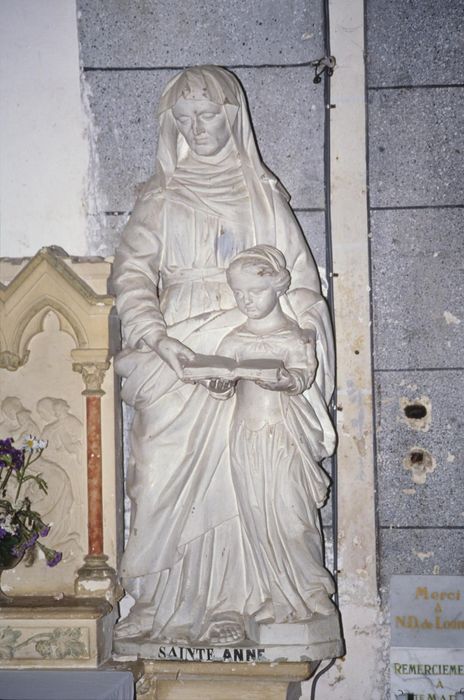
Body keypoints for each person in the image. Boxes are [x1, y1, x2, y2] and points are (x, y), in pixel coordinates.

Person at [112, 65, 335, 645]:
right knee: (159, 474)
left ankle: (232, 604)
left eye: (207, 115)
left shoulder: (262, 193)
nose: (196, 128)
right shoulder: (160, 196)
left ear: (231, 116)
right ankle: (163, 603)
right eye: (183, 119)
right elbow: (132, 277)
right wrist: (163, 344)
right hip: (174, 352)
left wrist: (284, 335)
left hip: (251, 344)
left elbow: (305, 286)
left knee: (242, 477)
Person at [202, 246, 335, 642]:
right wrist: (219, 383)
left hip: (285, 436)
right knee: (257, 516)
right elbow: (221, 383)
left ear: (277, 287)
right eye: (239, 293)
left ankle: (312, 590)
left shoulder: (293, 336)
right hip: (246, 436)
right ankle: (278, 596)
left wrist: (286, 381)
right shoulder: (234, 337)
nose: (246, 301)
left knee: (292, 517)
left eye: (254, 292)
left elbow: (303, 376)